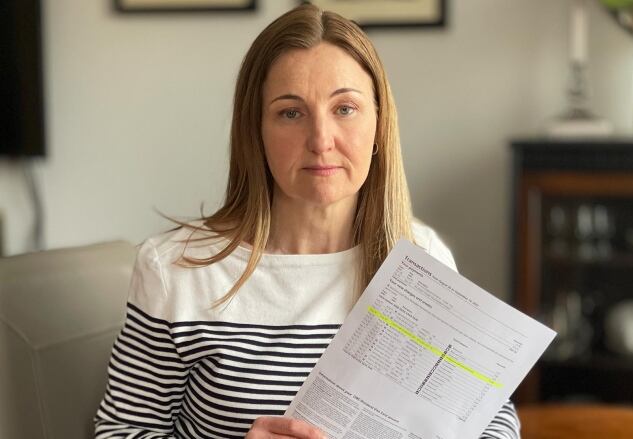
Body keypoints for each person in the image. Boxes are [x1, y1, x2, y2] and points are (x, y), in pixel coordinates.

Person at [94, 4, 521, 439]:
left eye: (345, 109)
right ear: (255, 131)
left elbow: (493, 421)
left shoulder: (421, 257)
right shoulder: (176, 271)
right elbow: (119, 431)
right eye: (291, 113)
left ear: (379, 123)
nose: (321, 141)